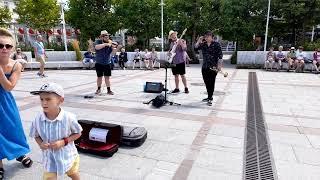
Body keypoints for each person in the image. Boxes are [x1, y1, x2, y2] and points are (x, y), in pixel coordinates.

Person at [29, 82, 82, 180]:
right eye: (41, 99)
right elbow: (36, 135)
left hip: (67, 156)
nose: (44, 102)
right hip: (49, 159)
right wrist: (41, 144)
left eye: (48, 99)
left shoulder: (69, 118)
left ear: (60, 100)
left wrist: (64, 141)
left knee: (73, 173)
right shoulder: (38, 119)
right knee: (49, 178)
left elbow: (78, 133)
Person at [0, 28, 33, 180]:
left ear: (12, 48)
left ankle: (19, 153)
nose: (4, 49)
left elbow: (9, 87)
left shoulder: (16, 65)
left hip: (5, 101)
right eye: (0, 46)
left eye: (8, 46)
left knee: (14, 129)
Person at [194, 31, 223, 106]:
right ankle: (209, 96)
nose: (206, 38)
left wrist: (219, 66)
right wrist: (199, 40)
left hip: (213, 67)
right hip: (205, 66)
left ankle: (210, 97)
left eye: (208, 36)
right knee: (206, 82)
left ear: (212, 37)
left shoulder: (217, 44)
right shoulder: (203, 44)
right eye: (205, 36)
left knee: (211, 82)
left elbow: (220, 56)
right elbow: (195, 48)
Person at [94, 30, 114, 95]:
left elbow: (112, 53)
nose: (107, 37)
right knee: (99, 77)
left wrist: (116, 48)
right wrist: (105, 44)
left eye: (108, 36)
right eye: (105, 36)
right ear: (102, 37)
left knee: (107, 77)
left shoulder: (110, 43)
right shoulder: (98, 42)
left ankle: (109, 90)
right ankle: (98, 89)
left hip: (107, 63)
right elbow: (96, 47)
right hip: (99, 63)